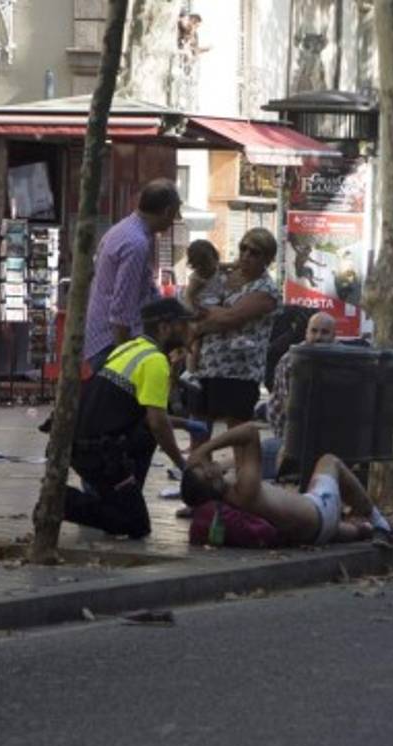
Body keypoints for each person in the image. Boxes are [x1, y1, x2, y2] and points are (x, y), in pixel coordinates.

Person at [63, 298, 193, 539]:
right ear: (164, 328)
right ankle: (65, 501)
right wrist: (182, 464)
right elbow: (156, 422)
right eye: (182, 324)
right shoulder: (155, 361)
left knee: (122, 509)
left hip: (83, 446)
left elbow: (132, 408)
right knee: (136, 524)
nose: (188, 330)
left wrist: (185, 424)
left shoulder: (129, 348)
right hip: (101, 454)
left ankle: (112, 497)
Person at [181, 423, 393, 548]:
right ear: (212, 481)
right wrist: (204, 448)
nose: (209, 465)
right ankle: (380, 523)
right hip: (319, 512)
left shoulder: (229, 497)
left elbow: (241, 450)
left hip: (311, 533)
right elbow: (249, 432)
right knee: (330, 461)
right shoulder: (244, 491)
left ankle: (364, 530)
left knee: (357, 531)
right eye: (206, 470)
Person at [84, 179, 181, 374]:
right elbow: (121, 309)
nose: (176, 219)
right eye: (176, 213)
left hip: (102, 339)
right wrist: (124, 361)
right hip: (112, 344)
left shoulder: (122, 230)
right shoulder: (136, 244)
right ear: (167, 211)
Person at [190, 228, 282, 428]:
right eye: (243, 249)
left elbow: (230, 318)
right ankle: (200, 458)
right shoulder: (228, 276)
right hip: (208, 366)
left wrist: (206, 316)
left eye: (254, 252)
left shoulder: (266, 288)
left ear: (267, 258)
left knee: (238, 431)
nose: (246, 255)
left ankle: (244, 461)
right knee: (199, 422)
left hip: (239, 371)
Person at [264, 311, 337, 478]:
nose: (318, 337)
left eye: (325, 333)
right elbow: (292, 411)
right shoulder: (291, 360)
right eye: (314, 331)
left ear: (334, 336)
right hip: (289, 431)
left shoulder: (340, 359)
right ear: (306, 333)